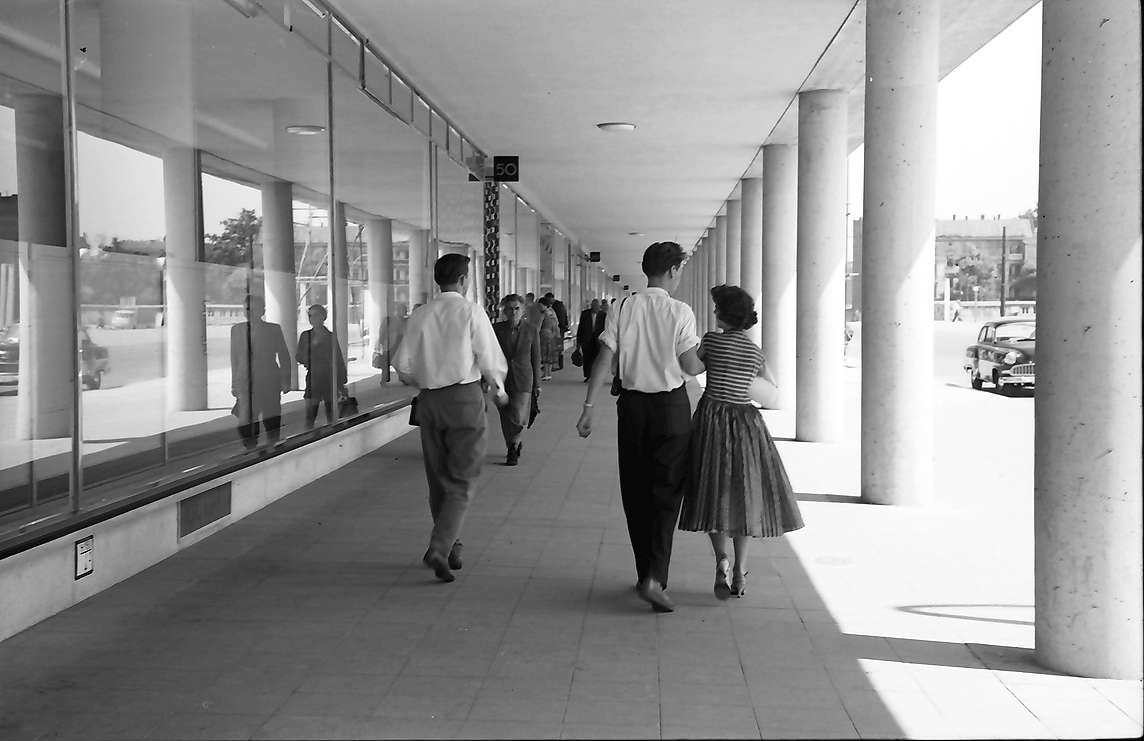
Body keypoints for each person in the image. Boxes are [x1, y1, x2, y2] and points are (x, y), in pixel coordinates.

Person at [576, 242, 704, 613]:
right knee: (667, 492)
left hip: (632, 408)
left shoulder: (622, 306)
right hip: (670, 409)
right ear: (674, 271)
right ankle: (655, 577)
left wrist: (587, 408)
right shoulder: (680, 311)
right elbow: (691, 366)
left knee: (635, 490)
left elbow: (605, 356)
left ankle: (643, 573)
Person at [678, 285, 804, 600]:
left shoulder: (711, 341)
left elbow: (692, 368)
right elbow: (771, 390)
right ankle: (740, 569)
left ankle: (721, 559)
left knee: (710, 489)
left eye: (717, 307)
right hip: (746, 426)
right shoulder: (754, 351)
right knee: (742, 494)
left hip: (711, 421)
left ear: (723, 313)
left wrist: (681, 342)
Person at [393, 253, 509, 583]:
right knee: (464, 477)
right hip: (463, 400)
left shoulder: (420, 315)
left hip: (430, 403)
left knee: (438, 477)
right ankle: (440, 546)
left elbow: (403, 366)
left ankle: (451, 543)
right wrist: (499, 391)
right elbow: (489, 357)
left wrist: (426, 379)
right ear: (463, 279)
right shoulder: (471, 312)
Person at [230, 294, 291, 449]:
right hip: (246, 382)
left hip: (269, 380)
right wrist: (234, 384)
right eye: (247, 308)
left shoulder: (273, 329)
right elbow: (234, 359)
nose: (250, 311)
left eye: (254, 308)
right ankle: (250, 447)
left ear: (262, 310)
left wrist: (286, 380)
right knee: (247, 420)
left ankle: (274, 445)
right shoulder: (236, 330)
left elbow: (284, 355)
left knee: (271, 417)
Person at [492, 294, 541, 465]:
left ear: (523, 310)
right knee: (505, 415)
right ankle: (512, 445)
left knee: (519, 416)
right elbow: (490, 355)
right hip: (502, 378)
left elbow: (536, 357)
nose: (513, 312)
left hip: (523, 378)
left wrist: (538, 384)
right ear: (504, 311)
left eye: (517, 308)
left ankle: (514, 445)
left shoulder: (531, 329)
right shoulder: (496, 329)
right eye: (509, 309)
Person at [297, 304, 347, 429]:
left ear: (323, 317)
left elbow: (338, 358)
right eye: (310, 315)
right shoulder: (306, 335)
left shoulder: (330, 336)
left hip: (329, 378)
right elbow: (299, 356)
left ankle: (332, 437)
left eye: (316, 315)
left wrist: (341, 381)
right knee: (310, 415)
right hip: (313, 377)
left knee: (331, 415)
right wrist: (310, 353)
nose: (312, 318)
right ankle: (308, 440)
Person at [575, 299, 604, 382]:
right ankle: (588, 375)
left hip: (598, 340)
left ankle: (595, 376)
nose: (596, 308)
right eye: (594, 306)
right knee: (587, 358)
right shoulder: (585, 314)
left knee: (597, 359)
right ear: (591, 306)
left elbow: (605, 328)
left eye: (597, 306)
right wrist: (578, 342)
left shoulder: (603, 315)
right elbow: (580, 328)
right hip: (586, 340)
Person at [536, 295, 560, 381]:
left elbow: (538, 325)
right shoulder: (552, 311)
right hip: (552, 336)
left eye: (540, 305)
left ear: (543, 305)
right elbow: (556, 323)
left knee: (545, 355)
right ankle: (548, 373)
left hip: (544, 335)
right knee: (549, 355)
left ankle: (546, 374)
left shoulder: (543, 313)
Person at [545, 292, 569, 370]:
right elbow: (565, 315)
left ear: (551, 298)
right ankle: (558, 364)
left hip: (557, 329)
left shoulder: (556, 306)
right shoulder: (560, 305)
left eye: (548, 300)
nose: (548, 302)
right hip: (560, 328)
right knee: (558, 347)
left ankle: (557, 364)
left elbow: (556, 319)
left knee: (556, 347)